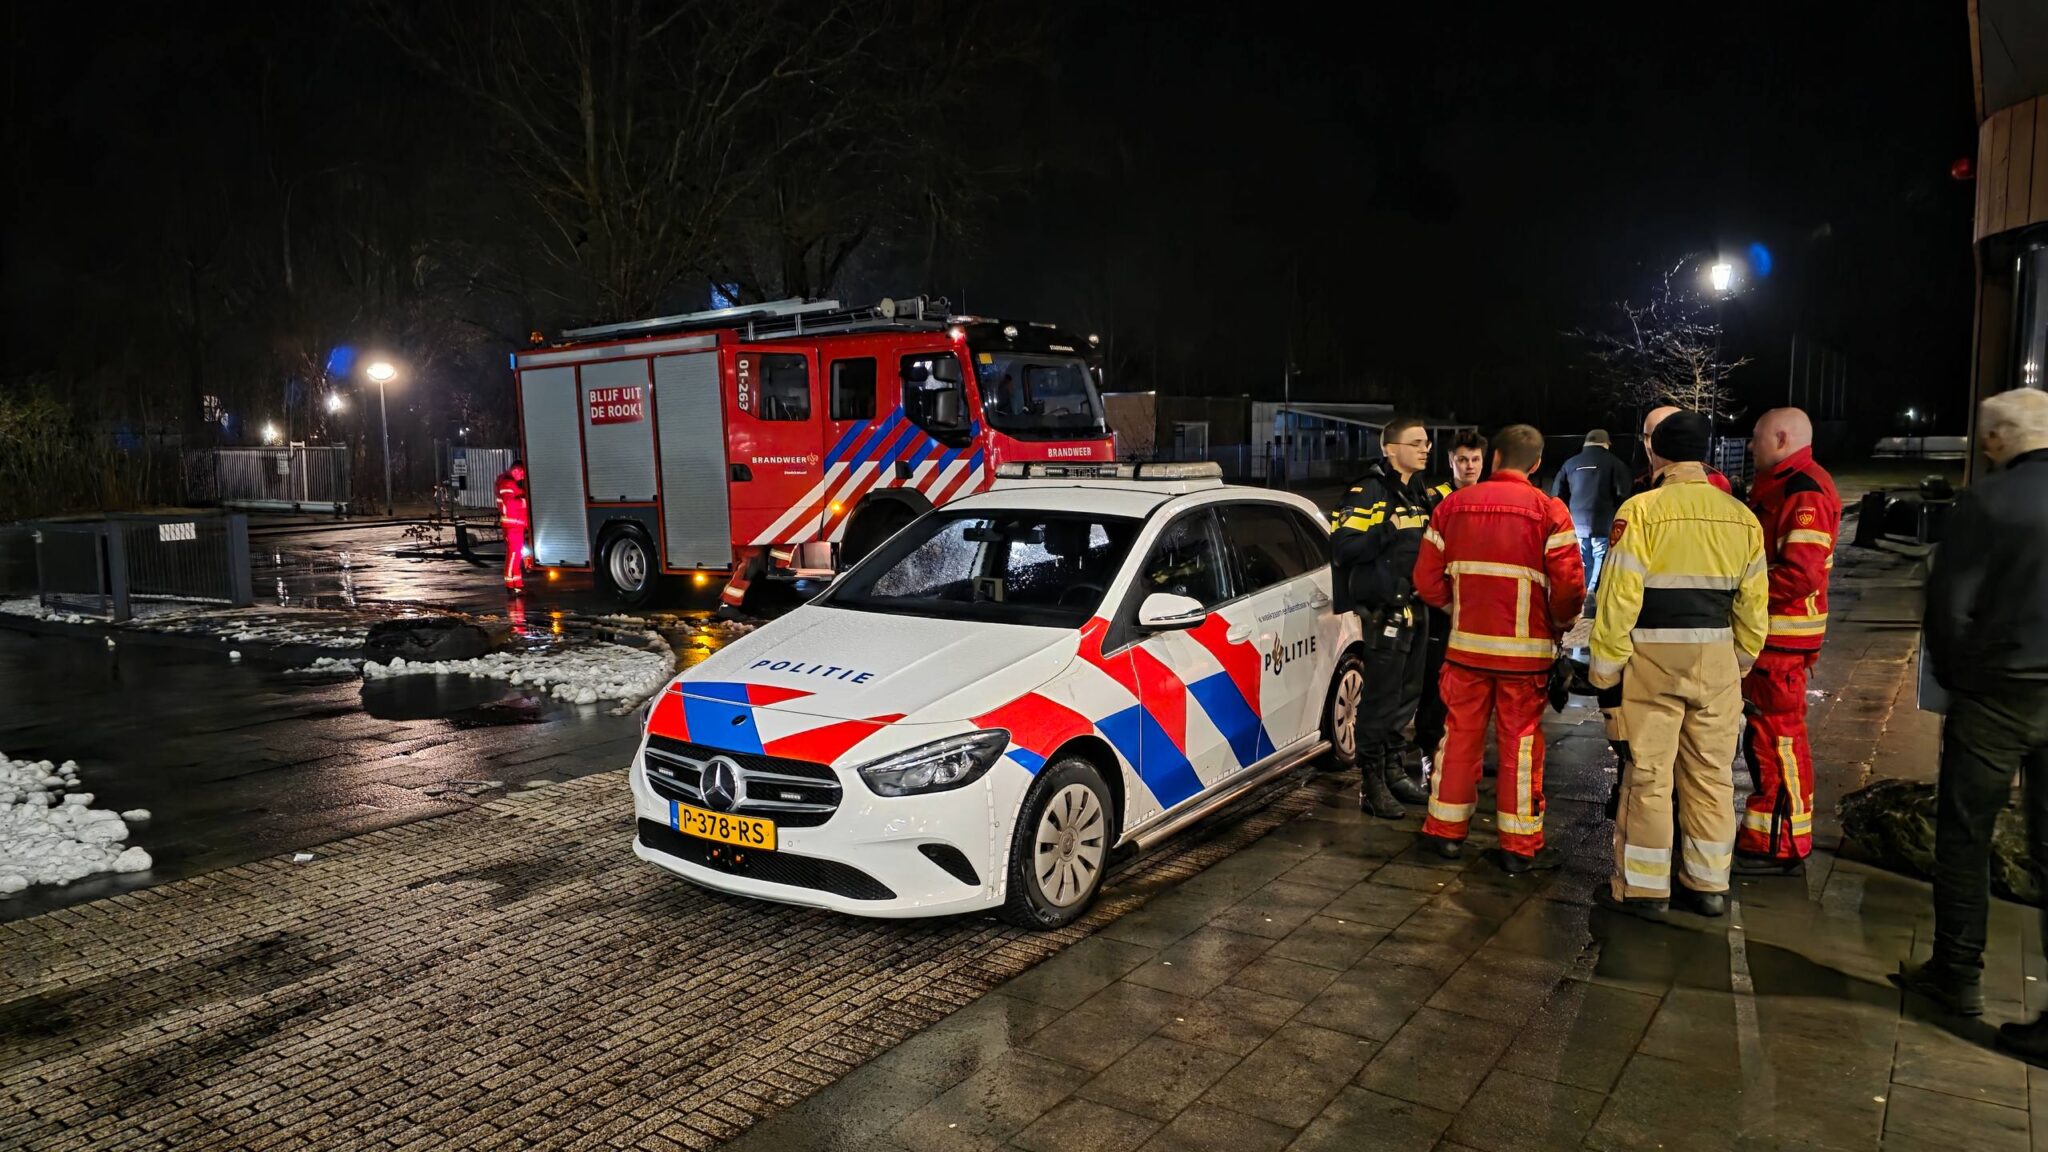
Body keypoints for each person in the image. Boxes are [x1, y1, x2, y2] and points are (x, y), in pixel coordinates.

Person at [1893, 389, 2048, 1031]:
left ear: (1996, 441)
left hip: (1997, 695)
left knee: (1965, 834)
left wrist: (1960, 684)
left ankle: (1957, 973)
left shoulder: (1987, 504)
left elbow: (1950, 609)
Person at [1590, 411, 1767, 920]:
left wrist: (1605, 673)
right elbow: (1754, 610)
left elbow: (1617, 601)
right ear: (1706, 453)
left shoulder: (1641, 512)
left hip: (1651, 661)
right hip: (1715, 662)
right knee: (1712, 775)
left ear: (1656, 453)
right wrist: (1736, 662)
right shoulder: (1742, 518)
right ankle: (1708, 885)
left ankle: (1645, 890)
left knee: (1648, 776)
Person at [1413, 424, 1584, 871]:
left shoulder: (1452, 507)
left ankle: (1445, 832)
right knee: (1520, 745)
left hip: (1465, 650)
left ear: (1493, 460)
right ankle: (1518, 846)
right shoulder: (1550, 512)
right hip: (1524, 656)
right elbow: (1569, 589)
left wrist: (1462, 608)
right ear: (1536, 463)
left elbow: (1427, 581)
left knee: (1460, 736)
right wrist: (1559, 626)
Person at [1734, 408, 1841, 876]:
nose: (1752, 446)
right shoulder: (1787, 485)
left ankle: (1781, 843)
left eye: (1757, 438)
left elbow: (1799, 572)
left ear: (1781, 437)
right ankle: (1772, 834)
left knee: (1778, 739)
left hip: (1781, 637)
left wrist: (1738, 593)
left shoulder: (1804, 492)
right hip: (1775, 636)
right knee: (1768, 737)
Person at [1332, 416, 1436, 817]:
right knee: (1380, 704)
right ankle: (1371, 786)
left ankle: (1394, 772)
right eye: (1415, 443)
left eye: (1426, 442)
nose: (1425, 449)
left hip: (1414, 608)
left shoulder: (1417, 491)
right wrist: (1384, 532)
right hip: (1384, 614)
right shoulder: (1369, 491)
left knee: (1405, 701)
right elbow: (1343, 548)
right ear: (1390, 449)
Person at [1414, 430, 1489, 779]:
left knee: (1475, 686)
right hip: (1443, 609)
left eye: (1475, 460)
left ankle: (1464, 754)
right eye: (1463, 459)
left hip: (1479, 610)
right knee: (1436, 683)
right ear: (1450, 461)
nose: (1469, 466)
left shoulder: (1491, 497)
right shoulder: (1434, 499)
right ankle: (1429, 753)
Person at [1550, 429, 1631, 603]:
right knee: (1600, 555)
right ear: (1607, 444)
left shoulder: (1570, 464)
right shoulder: (1614, 463)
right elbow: (1622, 492)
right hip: (1603, 520)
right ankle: (1592, 592)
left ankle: (1581, 590)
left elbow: (1557, 494)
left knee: (1582, 558)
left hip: (1577, 522)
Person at [1636, 406, 1732, 495]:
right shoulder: (1636, 483)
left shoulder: (1717, 482)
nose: (1648, 445)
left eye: (1658, 435)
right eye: (1645, 437)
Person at [495, 461, 531, 594]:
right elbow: (510, 504)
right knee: (514, 555)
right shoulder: (507, 484)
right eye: (521, 473)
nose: (522, 477)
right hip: (513, 526)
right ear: (515, 470)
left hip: (515, 526)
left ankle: (517, 584)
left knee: (516, 555)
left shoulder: (509, 484)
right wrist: (525, 501)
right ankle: (510, 584)